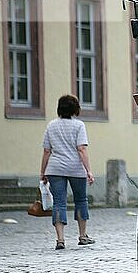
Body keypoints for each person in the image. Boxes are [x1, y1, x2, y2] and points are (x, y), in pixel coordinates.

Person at [40, 94, 95, 250]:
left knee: (59, 202)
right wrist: (89, 170)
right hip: (75, 168)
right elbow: (82, 149)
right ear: (75, 109)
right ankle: (83, 236)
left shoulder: (51, 125)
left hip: (55, 168)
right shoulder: (79, 126)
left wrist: (42, 172)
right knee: (81, 200)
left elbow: (46, 151)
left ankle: (60, 239)